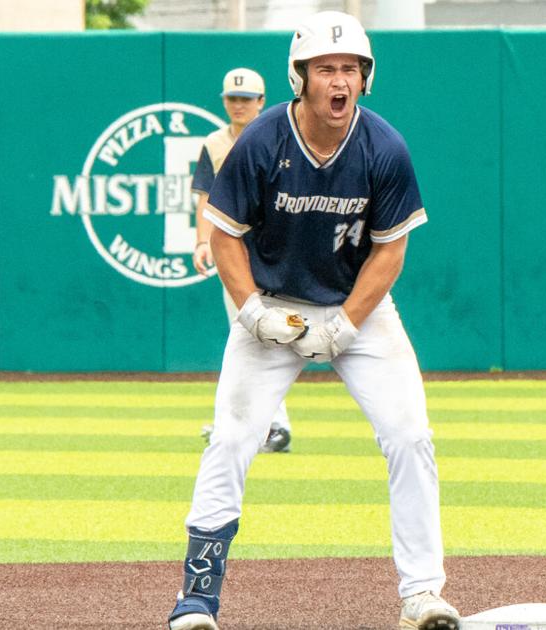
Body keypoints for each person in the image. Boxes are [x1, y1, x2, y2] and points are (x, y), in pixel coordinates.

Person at [168, 11, 459, 630]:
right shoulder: (262, 142)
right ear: (299, 78)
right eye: (325, 68)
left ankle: (422, 595)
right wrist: (250, 310)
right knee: (231, 439)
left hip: (360, 310)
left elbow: (391, 250)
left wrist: (347, 326)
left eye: (350, 68)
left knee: (410, 435)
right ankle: (196, 600)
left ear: (365, 78)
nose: (339, 80)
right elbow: (223, 234)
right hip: (271, 307)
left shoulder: (384, 147)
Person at [191, 67, 292, 454]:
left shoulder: (277, 137)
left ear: (261, 102)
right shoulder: (215, 143)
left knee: (265, 336)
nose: (238, 104)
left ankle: (270, 424)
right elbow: (206, 197)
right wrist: (203, 242)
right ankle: (251, 424)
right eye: (233, 98)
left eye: (246, 99)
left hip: (272, 252)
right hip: (232, 252)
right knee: (245, 333)